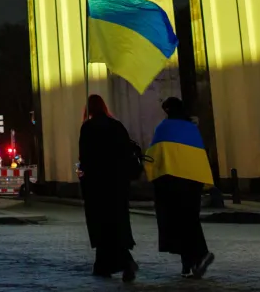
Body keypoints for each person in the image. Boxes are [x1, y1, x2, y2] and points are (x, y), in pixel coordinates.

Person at [146, 97, 215, 279]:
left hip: (173, 181)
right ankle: (190, 265)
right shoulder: (191, 128)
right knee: (190, 218)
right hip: (193, 182)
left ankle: (199, 255)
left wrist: (148, 171)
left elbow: (155, 155)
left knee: (177, 220)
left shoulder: (164, 127)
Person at [79, 93, 138, 281]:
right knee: (117, 221)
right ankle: (106, 263)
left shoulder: (88, 128)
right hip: (118, 183)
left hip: (97, 184)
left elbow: (85, 157)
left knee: (101, 223)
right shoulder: (117, 126)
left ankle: (119, 262)